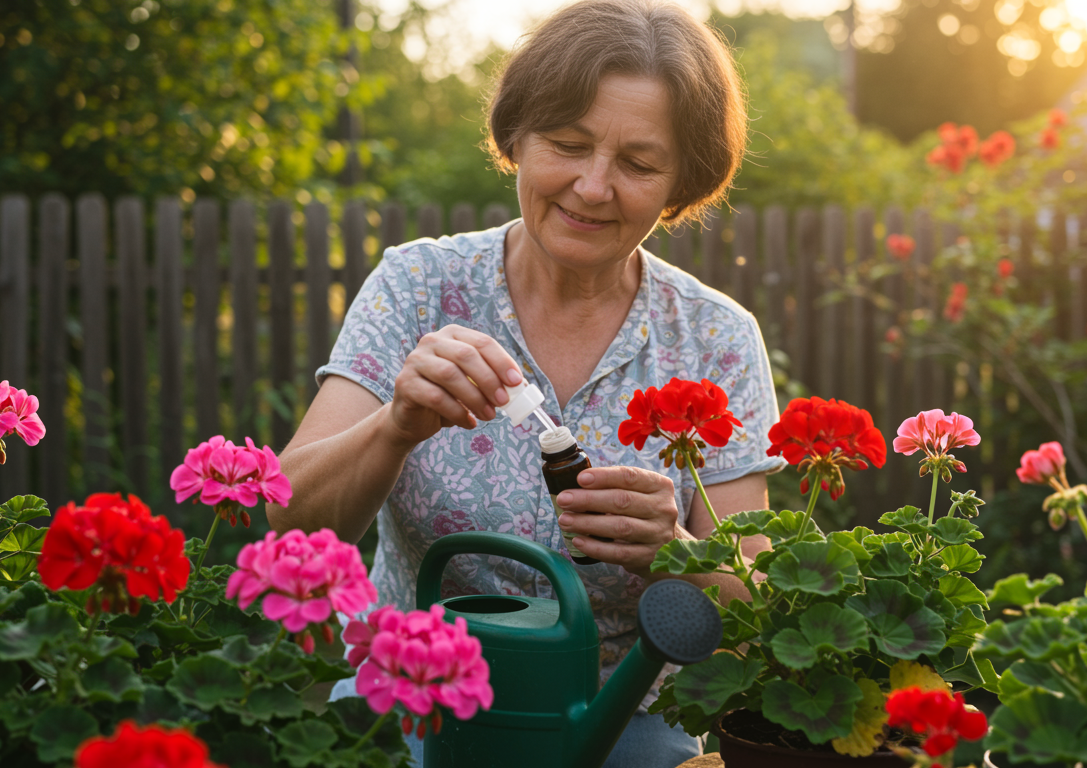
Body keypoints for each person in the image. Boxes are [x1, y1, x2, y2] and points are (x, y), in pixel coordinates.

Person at [266, 1, 785, 765]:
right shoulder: (418, 286)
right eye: (568, 144)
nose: (593, 186)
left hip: (619, 718)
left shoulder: (714, 336)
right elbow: (285, 531)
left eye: (639, 164)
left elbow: (756, 611)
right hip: (410, 702)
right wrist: (393, 427)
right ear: (516, 137)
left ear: (683, 183)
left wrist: (673, 548)